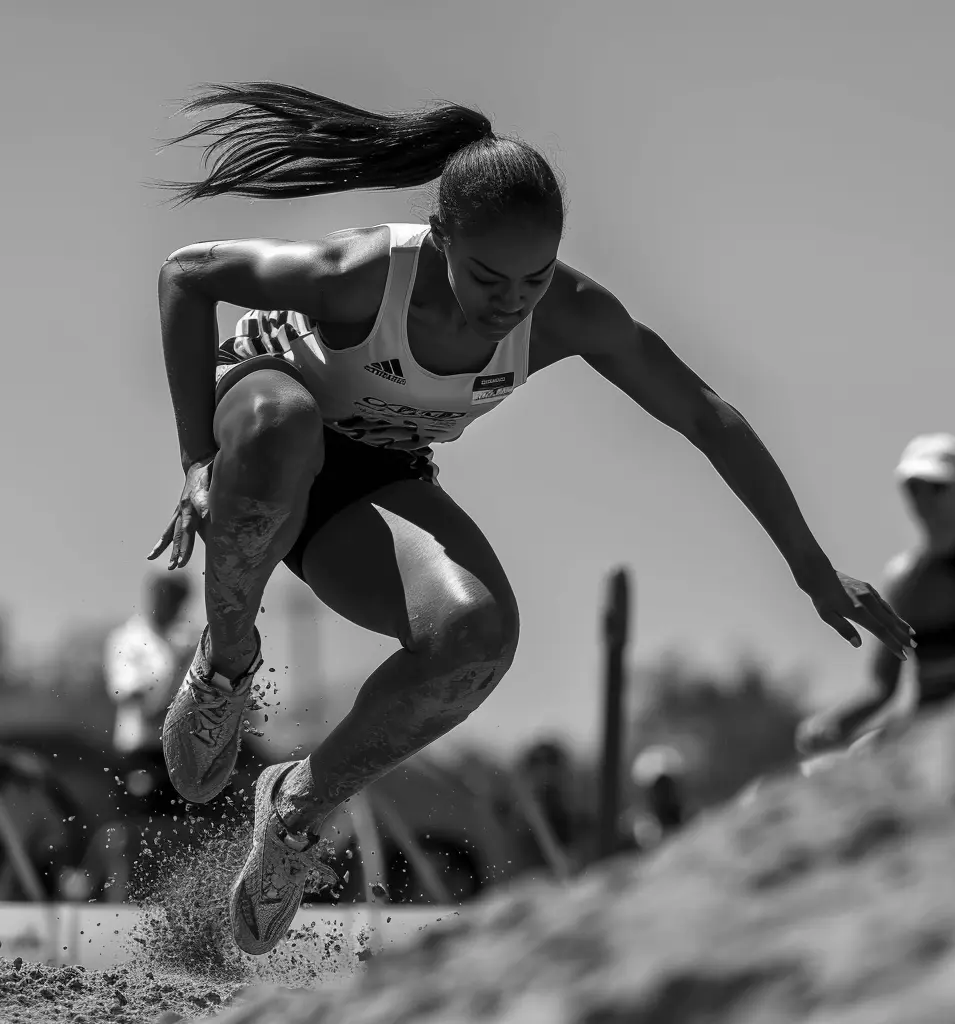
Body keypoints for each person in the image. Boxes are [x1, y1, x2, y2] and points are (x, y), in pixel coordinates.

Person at [146, 82, 913, 956]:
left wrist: (812, 569)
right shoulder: (360, 275)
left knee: (477, 636)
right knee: (284, 427)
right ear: (440, 241)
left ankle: (295, 814)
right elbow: (188, 275)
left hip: (371, 476)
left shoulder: (569, 315)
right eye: (486, 277)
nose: (511, 302)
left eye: (534, 277)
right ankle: (226, 665)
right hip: (266, 429)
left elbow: (704, 413)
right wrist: (195, 462)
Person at [797, 433, 955, 757]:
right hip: (928, 727)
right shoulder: (900, 578)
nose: (924, 498)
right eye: (914, 487)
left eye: (936, 486)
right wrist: (835, 723)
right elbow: (882, 686)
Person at [104, 573, 194, 815]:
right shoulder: (127, 639)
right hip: (140, 752)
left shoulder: (190, 639)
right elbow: (141, 707)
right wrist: (178, 670)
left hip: (186, 753)